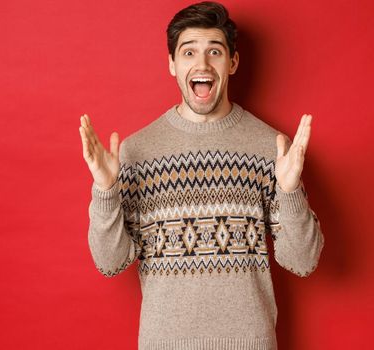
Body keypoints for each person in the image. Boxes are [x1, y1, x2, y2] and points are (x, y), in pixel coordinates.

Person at [77, 1, 324, 349]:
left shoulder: (273, 148)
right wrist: (105, 190)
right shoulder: (136, 152)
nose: (202, 63)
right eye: (189, 52)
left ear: (232, 62)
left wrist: (291, 190)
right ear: (172, 65)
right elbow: (110, 264)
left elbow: (303, 262)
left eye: (215, 51)